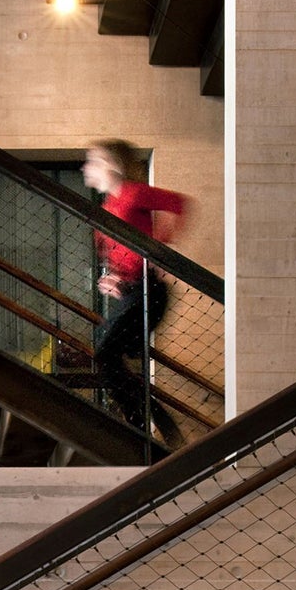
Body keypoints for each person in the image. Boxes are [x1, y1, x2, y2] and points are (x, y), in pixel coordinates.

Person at [84, 138, 189, 448]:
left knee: (106, 354)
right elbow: (119, 253)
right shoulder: (106, 207)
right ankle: (155, 427)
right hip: (131, 293)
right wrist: (113, 276)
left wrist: (158, 250)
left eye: (92, 161)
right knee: (113, 358)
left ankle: (141, 428)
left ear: (111, 165)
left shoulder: (132, 193)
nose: (84, 167)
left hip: (149, 292)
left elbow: (179, 204)